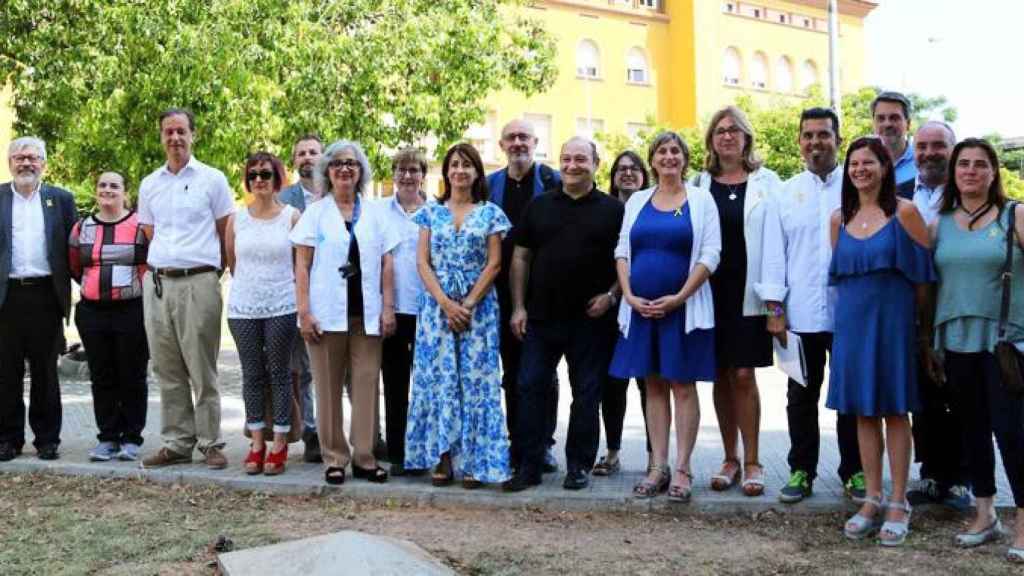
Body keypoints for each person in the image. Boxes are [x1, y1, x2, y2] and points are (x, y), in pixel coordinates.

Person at [827, 136, 934, 546]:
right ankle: (871, 497)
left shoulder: (905, 213)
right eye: (854, 163)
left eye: (868, 162)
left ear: (885, 167)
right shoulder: (839, 219)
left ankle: (898, 501)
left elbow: (924, 281)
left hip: (893, 326)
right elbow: (841, 278)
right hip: (852, 328)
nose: (860, 169)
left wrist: (923, 334)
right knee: (862, 412)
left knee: (894, 411)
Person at [503, 137, 623, 492]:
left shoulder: (613, 210)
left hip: (591, 319)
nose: (572, 165)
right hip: (541, 317)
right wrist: (519, 307)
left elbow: (625, 260)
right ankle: (529, 463)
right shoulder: (539, 206)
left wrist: (612, 295)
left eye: (581, 159)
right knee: (529, 387)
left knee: (586, 393)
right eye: (566, 158)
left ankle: (578, 465)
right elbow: (520, 257)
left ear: (596, 164)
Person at [926, 138, 1024, 562]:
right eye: (962, 164)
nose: (970, 171)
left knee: (1014, 432)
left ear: (993, 172)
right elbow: (931, 288)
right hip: (955, 339)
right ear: (954, 172)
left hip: (1004, 342)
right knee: (972, 430)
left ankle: (1023, 520)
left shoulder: (1014, 214)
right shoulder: (939, 223)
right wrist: (928, 341)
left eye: (979, 164)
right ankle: (985, 514)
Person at [609, 132, 720, 502]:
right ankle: (658, 465)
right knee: (653, 385)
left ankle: (684, 467)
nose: (669, 157)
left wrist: (679, 297)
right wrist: (627, 294)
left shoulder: (701, 200)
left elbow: (711, 254)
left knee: (682, 385)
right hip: (640, 309)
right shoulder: (638, 201)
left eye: (675, 151)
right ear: (652, 160)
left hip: (683, 309)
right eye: (662, 151)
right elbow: (622, 250)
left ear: (684, 159)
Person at [761, 107, 863, 503]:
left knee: (850, 396)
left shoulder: (856, 188)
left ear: (838, 139)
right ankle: (801, 469)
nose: (815, 142)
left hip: (849, 315)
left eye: (823, 134)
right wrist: (774, 310)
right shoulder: (785, 193)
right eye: (808, 135)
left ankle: (854, 471)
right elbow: (773, 256)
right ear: (799, 142)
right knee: (800, 396)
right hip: (799, 314)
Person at [291, 140, 399, 485]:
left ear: (361, 172)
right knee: (326, 388)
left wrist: (388, 308)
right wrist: (304, 312)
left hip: (366, 317)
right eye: (337, 164)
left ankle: (365, 458)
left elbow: (386, 263)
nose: (345, 169)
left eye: (351, 164)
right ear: (328, 171)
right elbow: (302, 266)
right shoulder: (315, 213)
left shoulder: (376, 213)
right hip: (325, 315)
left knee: (367, 384)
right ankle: (335, 457)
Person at [405, 143, 512, 488]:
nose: (460, 171)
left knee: (476, 384)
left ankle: (476, 462)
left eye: (467, 165)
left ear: (477, 172)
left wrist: (465, 305)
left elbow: (495, 263)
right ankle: (443, 458)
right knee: (439, 383)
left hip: (478, 312)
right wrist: (446, 304)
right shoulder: (429, 213)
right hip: (436, 312)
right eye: (454, 165)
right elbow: (422, 262)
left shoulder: (490, 213)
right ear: (446, 172)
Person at [138, 108, 235, 470]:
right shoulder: (150, 184)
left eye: (181, 131)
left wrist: (210, 274)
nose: (175, 138)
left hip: (200, 281)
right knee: (167, 368)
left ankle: (211, 442)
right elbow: (150, 233)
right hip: (160, 283)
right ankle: (177, 442)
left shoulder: (213, 179)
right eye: (168, 132)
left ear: (193, 135)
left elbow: (227, 231)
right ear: (161, 137)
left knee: (202, 366)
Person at [692, 106, 780, 497]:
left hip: (752, 294)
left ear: (746, 137)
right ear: (711, 139)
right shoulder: (697, 183)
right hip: (710, 294)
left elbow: (779, 248)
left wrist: (777, 307)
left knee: (744, 375)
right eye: (720, 131)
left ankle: (754, 460)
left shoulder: (769, 183)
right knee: (721, 375)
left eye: (734, 130)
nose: (727, 136)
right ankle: (729, 457)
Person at [900, 122, 972, 510]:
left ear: (952, 149)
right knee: (923, 396)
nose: (929, 153)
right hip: (913, 312)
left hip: (957, 307)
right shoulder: (899, 193)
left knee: (959, 393)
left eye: (938, 146)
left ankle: (961, 478)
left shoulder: (969, 194)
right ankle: (930, 474)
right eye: (923, 146)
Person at [487, 119, 561, 473]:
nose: (518, 143)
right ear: (501, 145)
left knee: (544, 374)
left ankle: (543, 443)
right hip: (499, 294)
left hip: (545, 293)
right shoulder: (489, 186)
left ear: (535, 142)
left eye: (524, 137)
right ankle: (518, 441)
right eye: (511, 138)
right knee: (512, 372)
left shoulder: (552, 181)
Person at [0, 136, 76, 462]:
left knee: (46, 372)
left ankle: (47, 439)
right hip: (6, 297)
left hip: (47, 295)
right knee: (5, 372)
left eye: (32, 157)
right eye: (19, 157)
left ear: (44, 163)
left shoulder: (61, 200)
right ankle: (8, 438)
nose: (26, 163)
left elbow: (74, 249)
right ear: (9, 163)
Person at [226, 152, 299, 476]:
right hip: (243, 308)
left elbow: (301, 264)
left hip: (282, 304)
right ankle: (256, 443)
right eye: (253, 174)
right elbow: (232, 262)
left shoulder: (292, 217)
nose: (259, 179)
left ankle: (280, 442)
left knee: (280, 374)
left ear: (278, 178)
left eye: (266, 174)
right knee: (252, 375)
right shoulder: (236, 219)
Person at [69, 171, 149, 462]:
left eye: (114, 185)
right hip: (93, 312)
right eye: (102, 185)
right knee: (101, 377)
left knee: (132, 374)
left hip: (131, 310)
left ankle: (131, 438)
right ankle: (107, 438)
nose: (107, 190)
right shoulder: (82, 227)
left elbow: (148, 265)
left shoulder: (140, 225)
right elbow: (76, 265)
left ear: (125, 192)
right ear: (96, 191)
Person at [594, 150, 651, 477]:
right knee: (612, 384)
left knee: (649, 384)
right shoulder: (603, 209)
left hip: (643, 304)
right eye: (621, 169)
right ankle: (612, 451)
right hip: (607, 311)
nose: (627, 173)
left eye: (634, 169)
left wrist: (620, 292)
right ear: (613, 175)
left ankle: (653, 454)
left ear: (644, 174)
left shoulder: (654, 207)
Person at [378, 147, 427, 476]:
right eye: (402, 170)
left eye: (414, 169)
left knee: (425, 386)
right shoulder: (379, 212)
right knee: (395, 385)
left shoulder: (435, 212)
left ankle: (423, 451)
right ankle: (397, 452)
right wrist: (386, 308)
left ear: (424, 174)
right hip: (392, 311)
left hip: (427, 312)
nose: (408, 176)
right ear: (393, 175)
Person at [278, 133, 324, 463]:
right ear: (294, 161)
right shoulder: (283, 199)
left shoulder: (342, 193)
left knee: (346, 371)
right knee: (304, 369)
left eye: (313, 152)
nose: (307, 157)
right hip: (296, 292)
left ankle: (366, 433)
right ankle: (312, 432)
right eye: (301, 153)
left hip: (337, 294)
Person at [871, 91, 917, 188]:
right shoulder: (861, 164)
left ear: (908, 124)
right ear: (873, 124)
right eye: (881, 118)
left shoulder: (921, 162)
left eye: (894, 118)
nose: (887, 124)